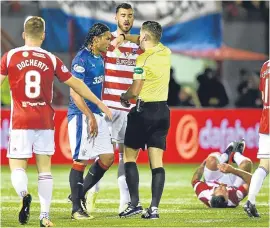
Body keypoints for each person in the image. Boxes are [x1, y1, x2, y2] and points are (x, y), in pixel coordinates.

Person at [0, 16, 112, 227]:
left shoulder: (10, 57)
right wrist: (100, 103)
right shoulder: (51, 59)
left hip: (20, 120)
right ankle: (45, 217)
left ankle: (24, 194)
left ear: (24, 35)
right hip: (44, 121)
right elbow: (77, 85)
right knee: (45, 171)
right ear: (43, 35)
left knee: (17, 168)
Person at [87, 3, 143, 214]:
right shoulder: (106, 41)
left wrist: (126, 38)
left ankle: (124, 203)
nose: (126, 19)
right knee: (101, 153)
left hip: (129, 110)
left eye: (130, 16)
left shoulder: (139, 45)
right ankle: (91, 193)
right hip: (107, 107)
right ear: (116, 17)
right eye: (123, 15)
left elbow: (152, 42)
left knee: (125, 156)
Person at [119, 21, 171, 219]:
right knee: (157, 163)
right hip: (163, 111)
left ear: (146, 38)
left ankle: (134, 204)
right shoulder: (166, 52)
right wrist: (125, 38)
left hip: (143, 111)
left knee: (129, 156)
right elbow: (142, 40)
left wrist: (123, 97)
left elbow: (134, 91)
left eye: (140, 35)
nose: (138, 37)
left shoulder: (142, 61)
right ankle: (154, 209)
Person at [67, 23, 114, 220]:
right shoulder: (81, 60)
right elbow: (74, 93)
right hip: (81, 116)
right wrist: (89, 116)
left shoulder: (100, 59)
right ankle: (76, 208)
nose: (109, 42)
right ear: (96, 40)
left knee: (107, 158)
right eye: (107, 38)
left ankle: (77, 194)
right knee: (80, 160)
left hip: (97, 115)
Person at [192, 140, 253, 208]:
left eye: (219, 189)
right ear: (227, 198)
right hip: (233, 185)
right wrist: (233, 170)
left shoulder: (204, 193)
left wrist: (202, 165)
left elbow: (194, 180)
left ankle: (225, 155)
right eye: (225, 191)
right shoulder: (234, 197)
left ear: (212, 194)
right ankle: (236, 155)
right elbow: (253, 181)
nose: (222, 186)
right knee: (247, 164)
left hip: (213, 180)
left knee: (211, 160)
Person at [244, 60, 270, 217]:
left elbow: (262, 96)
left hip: (266, 121)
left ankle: (250, 201)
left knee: (264, 165)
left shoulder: (265, 66)